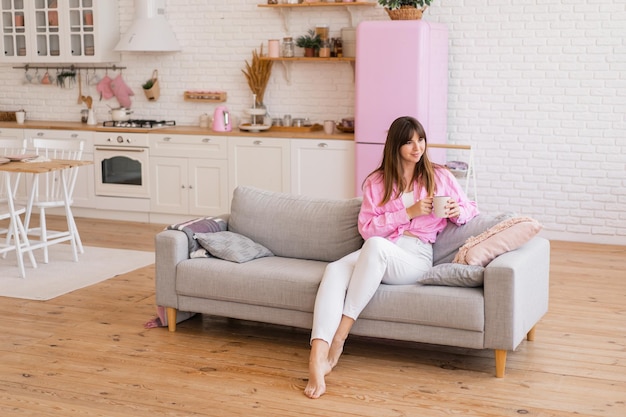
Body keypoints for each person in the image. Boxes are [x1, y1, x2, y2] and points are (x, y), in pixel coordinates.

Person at [304, 116, 479, 399]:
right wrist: (407, 212)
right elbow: (367, 228)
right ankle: (317, 357)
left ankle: (340, 337)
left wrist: (459, 212)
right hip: (380, 249)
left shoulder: (439, 176)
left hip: (415, 254)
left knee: (374, 247)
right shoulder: (376, 182)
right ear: (395, 145)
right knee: (335, 269)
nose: (416, 147)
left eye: (420, 139)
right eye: (408, 141)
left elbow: (471, 207)